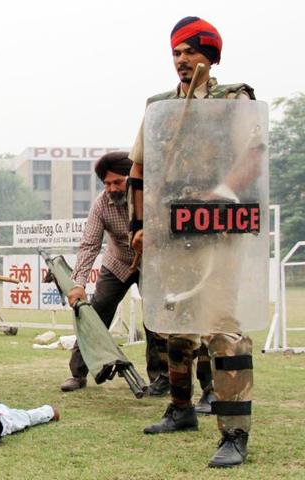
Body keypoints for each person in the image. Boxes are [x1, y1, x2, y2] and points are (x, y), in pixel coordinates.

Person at [128, 17, 258, 467]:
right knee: (176, 326)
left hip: (218, 229)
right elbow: (140, 170)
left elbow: (253, 156)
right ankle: (181, 408)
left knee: (222, 328)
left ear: (210, 54)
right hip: (171, 232)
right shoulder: (159, 107)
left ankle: (234, 432)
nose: (183, 60)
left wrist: (220, 193)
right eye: (177, 53)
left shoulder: (233, 100)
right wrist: (137, 226)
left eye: (191, 51)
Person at [61, 151, 166, 394]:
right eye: (107, 183)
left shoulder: (151, 200)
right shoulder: (100, 204)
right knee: (96, 315)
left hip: (150, 266)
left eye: (117, 182)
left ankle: (160, 379)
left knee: (153, 320)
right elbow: (89, 245)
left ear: (133, 178)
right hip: (116, 264)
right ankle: (77, 373)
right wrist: (78, 284)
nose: (111, 188)